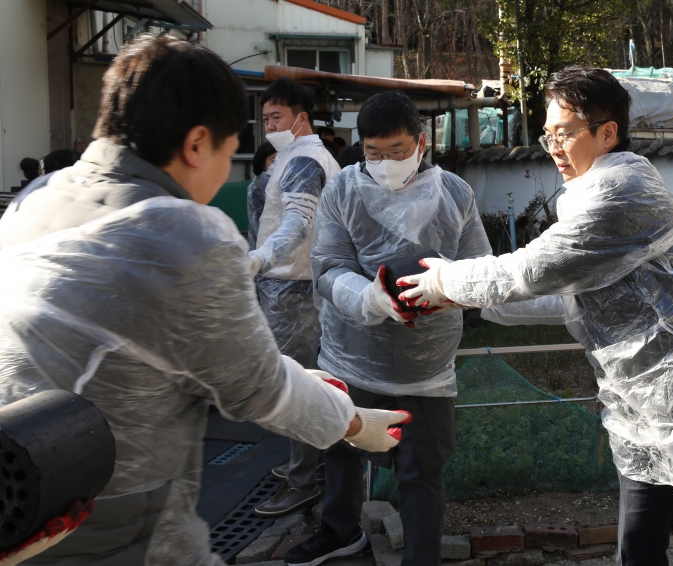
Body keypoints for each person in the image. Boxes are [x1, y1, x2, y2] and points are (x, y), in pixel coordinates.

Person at [0, 35, 409, 566]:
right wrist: (351, 422)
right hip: (129, 531)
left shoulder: (32, 201)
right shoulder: (185, 229)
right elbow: (258, 389)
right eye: (228, 146)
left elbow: (168, 346)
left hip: (22, 514)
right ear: (196, 144)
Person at [398, 66, 673, 566]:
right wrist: (468, 300)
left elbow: (532, 269)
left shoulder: (621, 191)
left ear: (608, 132)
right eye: (547, 133)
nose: (554, 146)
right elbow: (570, 299)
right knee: (638, 552)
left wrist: (442, 281)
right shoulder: (586, 192)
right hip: (642, 412)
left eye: (566, 133)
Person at [285, 91, 491, 566]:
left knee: (421, 469)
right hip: (351, 352)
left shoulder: (454, 193)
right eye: (374, 153)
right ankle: (339, 531)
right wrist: (369, 298)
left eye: (397, 151)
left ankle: (422, 557)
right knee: (340, 445)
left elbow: (481, 267)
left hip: (426, 366)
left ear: (421, 142)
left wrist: (448, 292)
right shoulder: (341, 190)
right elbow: (329, 266)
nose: (385, 163)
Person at [249, 78, 342, 518]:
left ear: (301, 118)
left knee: (299, 384)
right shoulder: (291, 155)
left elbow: (299, 223)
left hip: (296, 287)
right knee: (296, 379)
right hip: (285, 283)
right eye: (265, 118)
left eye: (276, 117)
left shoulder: (306, 160)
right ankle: (303, 464)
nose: (269, 125)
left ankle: (306, 479)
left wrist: (261, 258)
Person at [247, 141, 277, 250]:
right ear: (263, 164)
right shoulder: (264, 183)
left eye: (281, 158)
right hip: (267, 245)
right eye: (273, 160)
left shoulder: (269, 181)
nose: (278, 163)